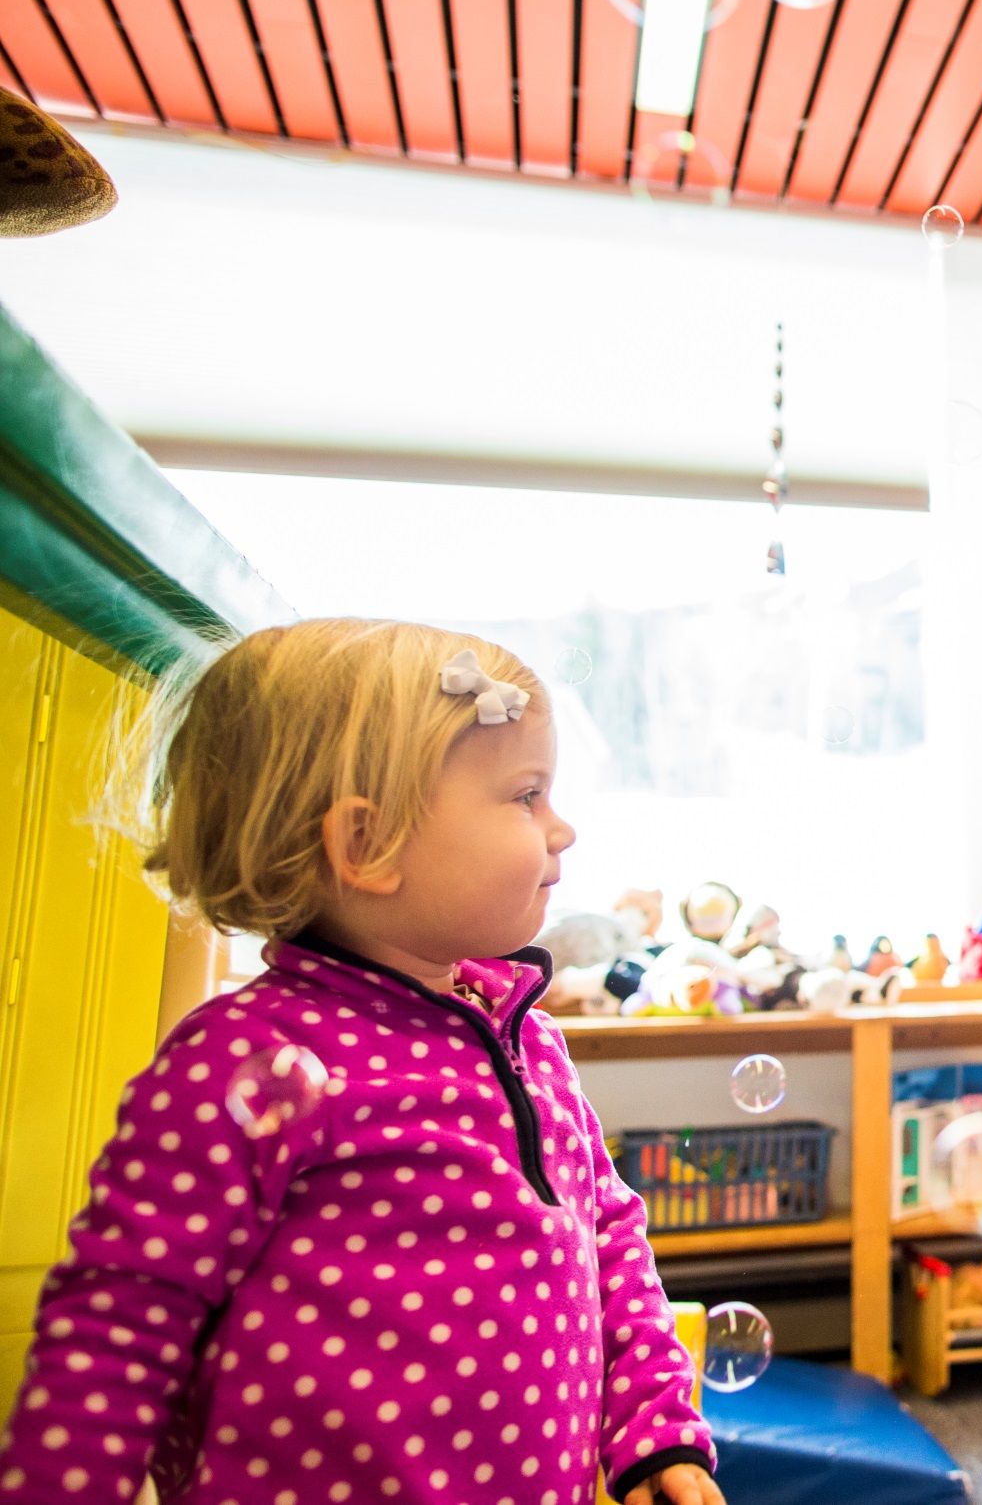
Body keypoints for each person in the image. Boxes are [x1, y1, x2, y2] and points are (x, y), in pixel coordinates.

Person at [0, 619, 720, 1505]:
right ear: (367, 844)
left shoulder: (525, 1034)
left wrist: (653, 1430)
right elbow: (118, 1326)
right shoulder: (244, 1058)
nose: (562, 828)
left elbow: (605, 1231)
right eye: (527, 796)